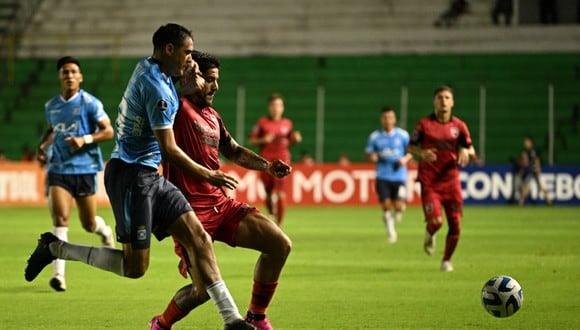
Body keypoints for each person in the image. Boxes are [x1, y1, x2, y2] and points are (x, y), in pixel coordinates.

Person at [25, 24, 255, 330]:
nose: (190, 59)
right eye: (187, 52)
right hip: (130, 176)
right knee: (135, 267)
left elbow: (177, 89)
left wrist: (189, 77)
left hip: (149, 175)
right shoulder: (157, 90)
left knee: (199, 238)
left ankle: (232, 320)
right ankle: (56, 248)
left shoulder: (151, 68)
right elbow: (169, 149)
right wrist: (209, 175)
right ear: (169, 50)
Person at [155, 51, 292, 330]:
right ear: (193, 78)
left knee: (279, 244)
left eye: (217, 80)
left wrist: (267, 166)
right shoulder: (175, 107)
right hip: (187, 213)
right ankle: (160, 324)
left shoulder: (213, 116)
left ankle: (256, 315)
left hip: (220, 204)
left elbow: (233, 150)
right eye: (209, 80)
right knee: (202, 290)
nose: (215, 86)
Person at [35, 56, 115, 292]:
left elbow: (108, 131)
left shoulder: (90, 103)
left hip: (85, 169)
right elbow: (52, 131)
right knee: (60, 219)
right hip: (58, 169)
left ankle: (104, 231)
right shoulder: (52, 106)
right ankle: (59, 276)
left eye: (73, 71)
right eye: (65, 72)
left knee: (88, 224)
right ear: (60, 77)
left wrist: (85, 139)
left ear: (80, 77)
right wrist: (42, 148)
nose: (69, 75)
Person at [407, 86, 476, 272]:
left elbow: (472, 149)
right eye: (440, 97)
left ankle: (446, 260)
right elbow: (410, 147)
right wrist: (421, 152)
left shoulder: (459, 126)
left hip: (451, 182)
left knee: (456, 225)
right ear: (434, 101)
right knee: (437, 222)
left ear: (452, 102)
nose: (443, 101)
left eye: (447, 97)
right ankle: (430, 233)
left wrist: (465, 150)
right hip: (430, 182)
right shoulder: (423, 125)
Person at [249, 93, 301, 226]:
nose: (275, 108)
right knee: (268, 192)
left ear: (282, 107)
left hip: (283, 160)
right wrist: (263, 140)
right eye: (273, 105)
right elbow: (252, 140)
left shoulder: (288, 123)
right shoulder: (261, 123)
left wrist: (295, 139)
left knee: (281, 193)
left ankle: (279, 225)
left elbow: (290, 141)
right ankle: (271, 210)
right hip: (266, 162)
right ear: (269, 107)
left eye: (278, 105)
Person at [365, 107, 412, 244]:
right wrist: (372, 157)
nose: (388, 120)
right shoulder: (375, 137)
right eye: (385, 118)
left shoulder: (403, 135)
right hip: (382, 175)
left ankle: (399, 209)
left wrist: (404, 159)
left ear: (395, 119)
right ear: (381, 119)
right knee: (386, 205)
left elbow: (411, 152)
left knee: (398, 205)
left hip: (399, 176)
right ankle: (391, 233)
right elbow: (369, 154)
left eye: (390, 117)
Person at [518, 136, 552, 206]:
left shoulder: (533, 150)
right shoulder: (526, 151)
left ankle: (549, 201)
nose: (525, 144)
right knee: (526, 186)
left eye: (526, 142)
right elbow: (526, 162)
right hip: (529, 171)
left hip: (533, 171)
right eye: (525, 142)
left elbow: (536, 159)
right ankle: (549, 201)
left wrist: (538, 169)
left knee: (536, 186)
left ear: (530, 142)